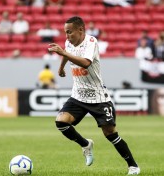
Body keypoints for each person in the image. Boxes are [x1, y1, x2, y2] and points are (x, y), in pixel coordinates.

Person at [48, 16, 140, 175]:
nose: (67, 36)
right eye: (65, 33)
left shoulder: (91, 42)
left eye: (69, 32)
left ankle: (133, 166)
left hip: (98, 97)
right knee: (61, 122)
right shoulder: (69, 43)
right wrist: (61, 68)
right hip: (78, 95)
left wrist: (63, 53)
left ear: (80, 30)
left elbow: (85, 63)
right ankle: (86, 144)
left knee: (110, 133)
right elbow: (67, 52)